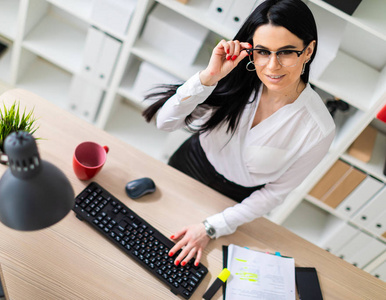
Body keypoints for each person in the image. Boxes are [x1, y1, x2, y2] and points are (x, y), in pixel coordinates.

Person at [142, 0, 335, 267]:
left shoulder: (318, 129)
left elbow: (274, 194)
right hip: (190, 164)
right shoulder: (234, 78)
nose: (272, 67)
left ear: (308, 51)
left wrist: (211, 227)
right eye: (263, 52)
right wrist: (209, 77)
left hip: (234, 203)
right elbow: (165, 123)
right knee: (149, 235)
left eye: (286, 52)